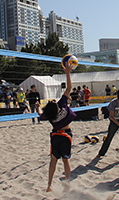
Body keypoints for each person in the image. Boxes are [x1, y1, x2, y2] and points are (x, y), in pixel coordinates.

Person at [35, 62, 76, 192]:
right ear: (57, 106)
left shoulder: (49, 115)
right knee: (66, 160)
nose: (53, 100)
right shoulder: (62, 104)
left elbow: (41, 114)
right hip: (66, 135)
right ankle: (67, 182)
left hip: (55, 135)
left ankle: (50, 184)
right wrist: (67, 73)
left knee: (53, 160)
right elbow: (69, 88)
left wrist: (37, 108)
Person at [97, 88, 119, 158]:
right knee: (109, 138)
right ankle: (100, 154)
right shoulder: (113, 103)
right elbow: (111, 117)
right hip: (114, 121)